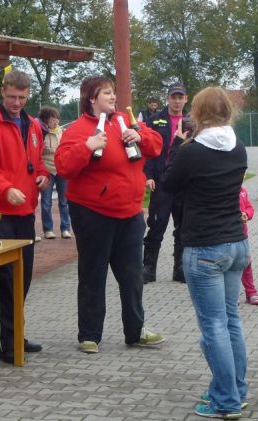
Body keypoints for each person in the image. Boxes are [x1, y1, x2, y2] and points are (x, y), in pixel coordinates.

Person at [55, 76, 166, 355]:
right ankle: (89, 334)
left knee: (132, 276)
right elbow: (63, 166)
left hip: (130, 213)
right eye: (106, 93)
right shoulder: (78, 129)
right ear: (91, 99)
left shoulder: (125, 121)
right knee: (93, 275)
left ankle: (135, 331)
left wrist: (140, 136)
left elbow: (156, 145)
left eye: (113, 92)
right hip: (93, 213)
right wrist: (87, 146)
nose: (113, 97)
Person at [162, 86, 250, 419]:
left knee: (213, 327)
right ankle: (237, 391)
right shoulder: (238, 147)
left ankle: (225, 401)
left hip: (204, 247)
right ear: (228, 112)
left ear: (197, 113)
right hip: (236, 242)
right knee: (231, 322)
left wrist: (177, 143)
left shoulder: (192, 151)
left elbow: (169, 184)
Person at [0, 70, 49, 364]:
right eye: (12, 97)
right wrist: (5, 189)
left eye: (22, 97)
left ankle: (14, 333)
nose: (17, 103)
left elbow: (38, 162)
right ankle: (7, 342)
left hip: (25, 212)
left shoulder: (33, 125)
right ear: (3, 91)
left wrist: (42, 176)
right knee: (2, 279)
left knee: (22, 278)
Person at [142, 82, 188, 283]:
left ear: (185, 99)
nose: (177, 101)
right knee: (157, 224)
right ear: (167, 98)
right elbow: (147, 151)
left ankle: (180, 269)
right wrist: (148, 176)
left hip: (183, 181)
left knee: (183, 226)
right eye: (173, 97)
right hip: (161, 180)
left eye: (180, 97)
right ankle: (148, 268)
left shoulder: (191, 121)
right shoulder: (155, 120)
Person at [37, 105, 71, 239]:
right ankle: (48, 229)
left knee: (64, 201)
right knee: (46, 202)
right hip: (47, 169)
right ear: (46, 120)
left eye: (57, 118)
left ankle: (65, 228)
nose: (56, 122)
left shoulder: (63, 132)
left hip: (61, 169)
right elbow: (38, 151)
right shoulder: (41, 132)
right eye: (52, 119)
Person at [239, 186, 258, 305]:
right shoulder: (223, 188)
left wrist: (246, 214)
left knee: (246, 263)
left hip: (242, 234)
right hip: (226, 233)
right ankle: (230, 294)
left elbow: (249, 207)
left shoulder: (242, 190)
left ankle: (251, 292)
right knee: (229, 265)